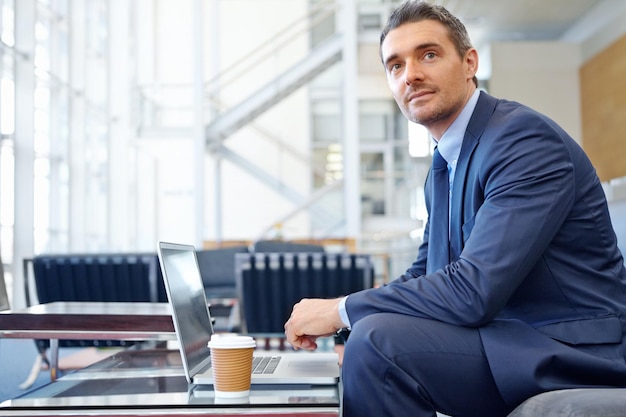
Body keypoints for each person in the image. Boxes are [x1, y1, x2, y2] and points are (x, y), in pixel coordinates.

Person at [283, 1, 626, 416]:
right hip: (509, 338)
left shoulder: (522, 139)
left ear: (469, 62)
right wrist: (346, 320)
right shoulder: (445, 164)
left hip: (569, 348)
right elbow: (424, 273)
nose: (410, 74)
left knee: (379, 343)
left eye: (428, 54)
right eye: (395, 66)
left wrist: (339, 312)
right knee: (367, 338)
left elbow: (472, 291)